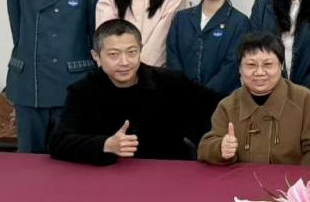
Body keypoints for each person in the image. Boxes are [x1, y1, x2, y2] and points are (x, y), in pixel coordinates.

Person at [49, 20, 221, 165]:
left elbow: (218, 105)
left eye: (132, 52)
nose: (124, 62)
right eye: (114, 54)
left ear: (140, 49)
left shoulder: (171, 82)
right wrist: (105, 144)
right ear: (96, 56)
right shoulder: (83, 90)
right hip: (109, 178)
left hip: (166, 175)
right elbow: (59, 142)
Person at [6, 0, 106, 153]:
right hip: (31, 80)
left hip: (73, 77)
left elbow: (94, 34)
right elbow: (18, 30)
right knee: (29, 157)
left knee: (70, 155)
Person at [198, 32, 310, 165]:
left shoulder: (303, 100)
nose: (259, 72)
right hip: (242, 179)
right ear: (239, 68)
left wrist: (296, 177)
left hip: (291, 179)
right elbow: (205, 147)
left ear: (281, 66)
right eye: (251, 65)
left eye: (268, 64)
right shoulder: (228, 106)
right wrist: (220, 148)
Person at [165, 0, 249, 96]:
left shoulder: (239, 21)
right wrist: (184, 87)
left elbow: (233, 63)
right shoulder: (182, 18)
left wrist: (204, 93)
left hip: (222, 98)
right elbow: (172, 55)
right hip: (183, 95)